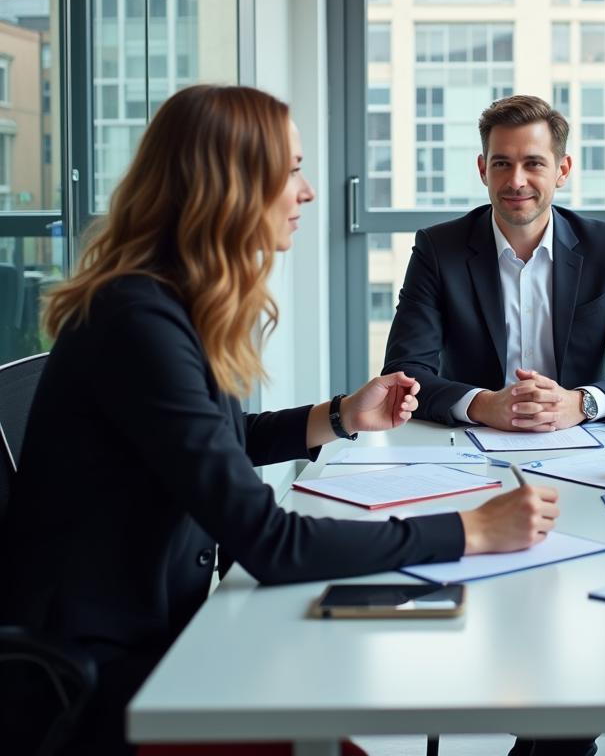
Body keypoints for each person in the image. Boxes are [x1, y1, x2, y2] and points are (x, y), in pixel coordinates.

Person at [0, 85, 559, 756]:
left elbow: (218, 441)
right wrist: (472, 529)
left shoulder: (164, 303)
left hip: (171, 636)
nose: (308, 192)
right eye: (291, 170)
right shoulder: (137, 322)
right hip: (113, 685)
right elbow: (269, 543)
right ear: (228, 186)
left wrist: (339, 417)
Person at [382, 94, 605, 433]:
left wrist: (580, 403)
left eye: (533, 163)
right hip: (470, 445)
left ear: (561, 170)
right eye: (502, 164)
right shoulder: (438, 249)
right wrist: (482, 404)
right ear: (483, 169)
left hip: (581, 441)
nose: (516, 181)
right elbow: (404, 373)